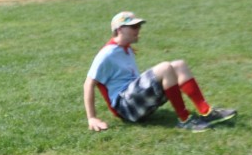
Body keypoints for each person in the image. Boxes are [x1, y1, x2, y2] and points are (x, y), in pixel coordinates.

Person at [84, 11, 237, 133]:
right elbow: (89, 84)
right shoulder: (107, 54)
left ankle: (206, 112)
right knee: (165, 68)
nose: (138, 30)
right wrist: (92, 118)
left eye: (139, 26)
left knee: (179, 64)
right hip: (126, 107)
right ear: (119, 30)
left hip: (135, 100)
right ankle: (184, 120)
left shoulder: (126, 49)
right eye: (134, 27)